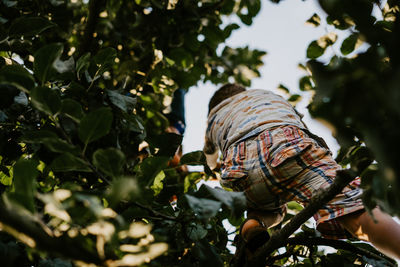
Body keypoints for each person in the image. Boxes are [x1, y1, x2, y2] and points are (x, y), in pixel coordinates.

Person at [203, 83, 400, 261]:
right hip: (285, 143)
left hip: (241, 169)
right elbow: (298, 123)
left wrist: (213, 169)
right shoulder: (267, 95)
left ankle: (254, 224)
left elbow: (209, 156)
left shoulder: (213, 118)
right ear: (242, 91)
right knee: (354, 207)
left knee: (266, 206)